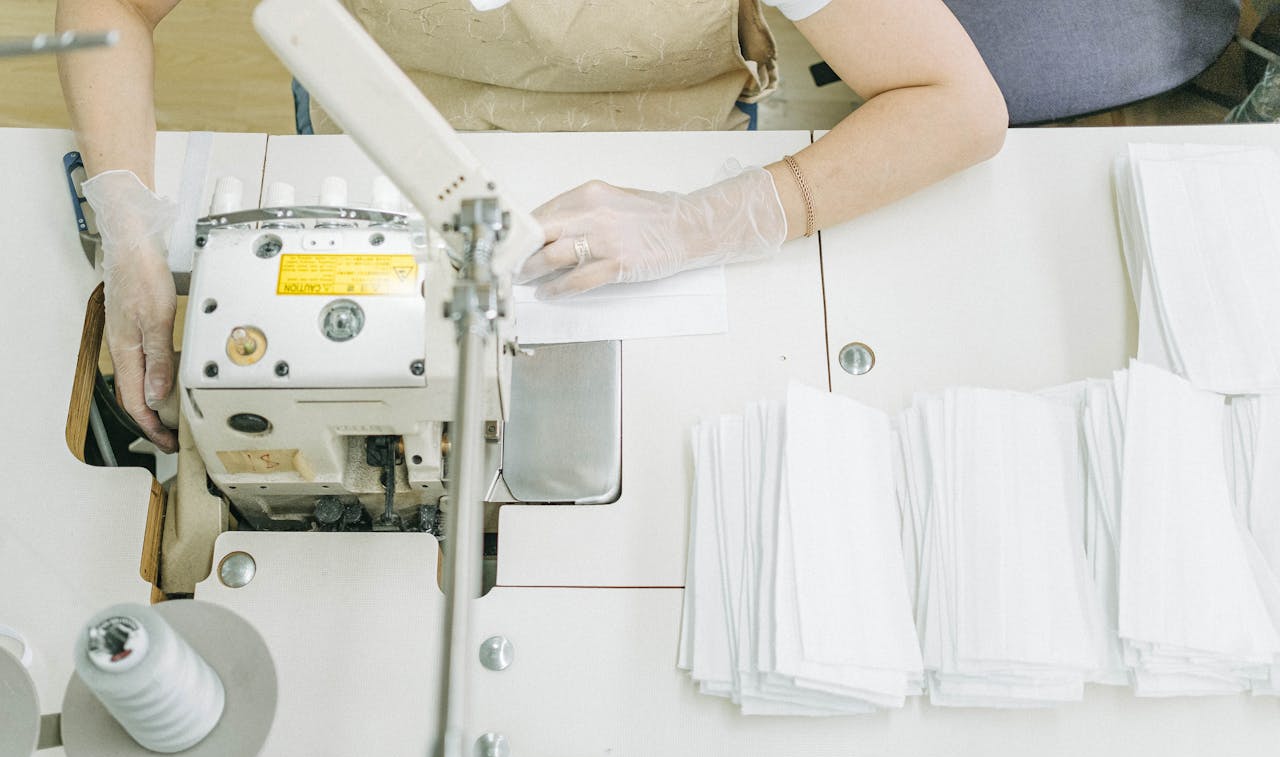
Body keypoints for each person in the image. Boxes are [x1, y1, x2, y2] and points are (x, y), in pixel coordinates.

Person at [56, 0, 1008, 453]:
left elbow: (957, 104)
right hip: (384, 143)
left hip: (658, 154)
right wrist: (130, 222)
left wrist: (710, 219)